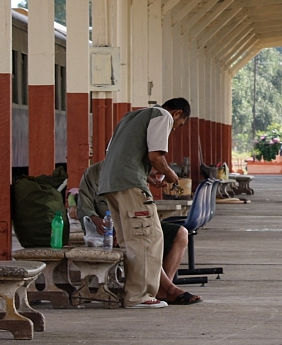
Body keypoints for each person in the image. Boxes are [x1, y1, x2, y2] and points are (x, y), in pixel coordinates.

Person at [97, 97, 196, 308]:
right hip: (130, 184)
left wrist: (148, 176)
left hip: (111, 183)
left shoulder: (129, 117)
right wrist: (170, 175)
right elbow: (155, 156)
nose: (174, 129)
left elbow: (117, 154)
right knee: (148, 238)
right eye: (178, 126)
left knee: (131, 239)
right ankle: (140, 295)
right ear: (177, 113)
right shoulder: (162, 116)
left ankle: (147, 291)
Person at [77, 161, 200, 305]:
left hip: (138, 223)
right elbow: (84, 206)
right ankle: (170, 289)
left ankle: (161, 288)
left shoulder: (135, 171)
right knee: (144, 243)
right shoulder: (93, 173)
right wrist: (96, 219)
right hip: (108, 229)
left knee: (180, 233)